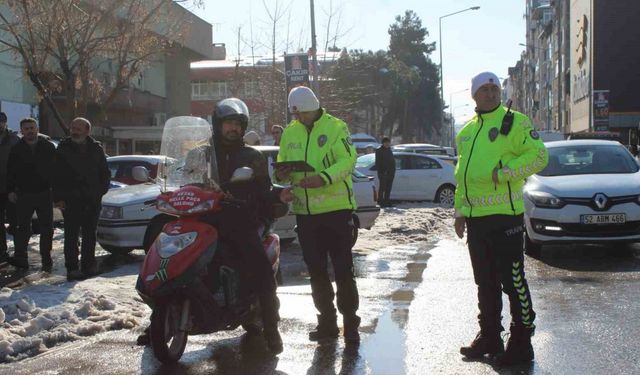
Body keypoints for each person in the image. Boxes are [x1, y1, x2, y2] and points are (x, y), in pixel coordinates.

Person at [453, 72, 548, 366]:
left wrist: (506, 172)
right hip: (476, 220)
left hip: (506, 218)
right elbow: (461, 177)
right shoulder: (466, 132)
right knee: (485, 282)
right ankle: (490, 336)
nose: (491, 93)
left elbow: (539, 156)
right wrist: (459, 212)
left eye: (495, 88)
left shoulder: (515, 122)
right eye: (485, 89)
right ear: (474, 95)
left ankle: (521, 342)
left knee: (513, 280)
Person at [274, 86, 361, 345]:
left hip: (336, 211)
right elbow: (282, 162)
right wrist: (281, 176)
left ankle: (350, 323)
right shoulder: (290, 132)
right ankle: (327, 323)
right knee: (316, 271)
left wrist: (322, 178)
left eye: (300, 113)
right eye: (295, 114)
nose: (297, 118)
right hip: (306, 213)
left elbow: (348, 161)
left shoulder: (336, 127)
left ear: (310, 108)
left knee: (343, 270)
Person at [53, 117, 110, 281]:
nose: (74, 131)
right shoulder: (63, 148)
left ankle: (88, 266)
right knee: (71, 236)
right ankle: (72, 268)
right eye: (72, 127)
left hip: (92, 200)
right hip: (71, 200)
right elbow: (55, 176)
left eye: (78, 128)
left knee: (90, 235)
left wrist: (99, 192)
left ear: (87, 131)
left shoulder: (96, 148)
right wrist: (58, 198)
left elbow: (104, 173)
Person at [5, 117, 56, 271]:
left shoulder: (48, 147)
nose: (30, 131)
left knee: (47, 228)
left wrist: (57, 191)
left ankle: (46, 258)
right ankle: (21, 258)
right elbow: (10, 172)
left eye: (32, 128)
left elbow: (57, 170)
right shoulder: (16, 149)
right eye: (26, 128)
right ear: (22, 131)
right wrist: (11, 190)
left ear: (37, 129)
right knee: (22, 228)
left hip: (44, 193)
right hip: (24, 194)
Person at [0, 112, 19, 263]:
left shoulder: (14, 139)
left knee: (16, 222)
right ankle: (2, 252)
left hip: (12, 188)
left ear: (5, 123)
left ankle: (19, 253)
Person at [375, 137, 395, 207]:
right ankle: (380, 201)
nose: (387, 144)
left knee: (388, 188)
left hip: (391, 173)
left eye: (388, 142)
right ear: (383, 143)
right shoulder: (379, 150)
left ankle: (387, 201)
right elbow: (378, 163)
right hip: (383, 173)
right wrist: (382, 171)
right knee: (382, 188)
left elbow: (392, 162)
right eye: (385, 142)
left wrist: (393, 171)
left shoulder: (389, 150)